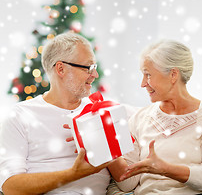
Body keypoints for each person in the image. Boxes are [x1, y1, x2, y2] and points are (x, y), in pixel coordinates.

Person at [0, 32, 123, 195]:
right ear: (61, 69)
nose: (95, 75)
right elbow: (10, 186)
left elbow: (123, 175)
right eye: (89, 67)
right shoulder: (20, 115)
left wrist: (104, 143)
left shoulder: (99, 110)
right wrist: (74, 174)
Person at [114, 40, 202, 195]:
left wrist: (165, 169)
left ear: (173, 75)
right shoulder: (139, 119)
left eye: (148, 75)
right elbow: (127, 183)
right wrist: (103, 148)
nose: (142, 84)